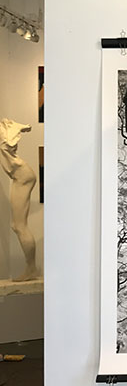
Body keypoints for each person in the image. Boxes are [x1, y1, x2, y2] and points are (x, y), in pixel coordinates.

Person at [0, 118, 39, 282]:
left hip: (22, 176)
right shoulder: (4, 126)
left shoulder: (3, 128)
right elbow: (24, 127)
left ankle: (31, 269)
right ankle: (31, 268)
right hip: (20, 176)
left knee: (19, 225)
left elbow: (22, 129)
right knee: (16, 225)